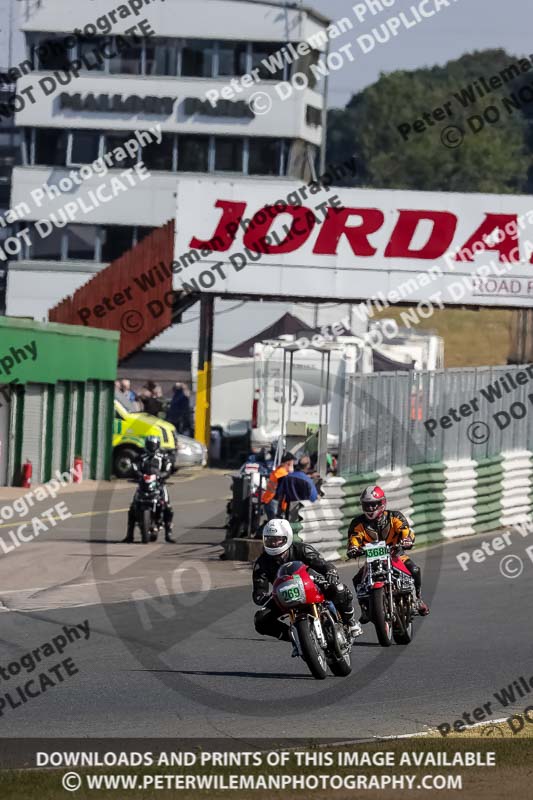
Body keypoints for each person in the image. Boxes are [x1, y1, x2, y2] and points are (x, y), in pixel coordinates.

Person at [253, 519, 362, 642]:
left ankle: (350, 621)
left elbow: (322, 564)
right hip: (284, 595)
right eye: (269, 540)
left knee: (339, 589)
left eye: (277, 539)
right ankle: (293, 637)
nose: (273, 543)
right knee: (260, 619)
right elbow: (258, 589)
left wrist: (330, 571)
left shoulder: (302, 549)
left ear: (286, 537)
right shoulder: (262, 562)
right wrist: (262, 597)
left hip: (311, 585)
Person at [346, 485, 429, 621]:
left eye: (373, 505)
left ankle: (418, 598)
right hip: (372, 560)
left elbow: (405, 530)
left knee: (414, 570)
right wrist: (353, 549)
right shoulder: (357, 523)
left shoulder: (394, 516)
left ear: (382, 503)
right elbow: (354, 539)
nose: (370, 508)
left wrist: (407, 540)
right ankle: (365, 609)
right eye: (367, 505)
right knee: (357, 580)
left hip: (396, 555)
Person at [124, 435, 175, 543]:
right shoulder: (141, 456)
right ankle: (129, 535)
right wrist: (138, 474)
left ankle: (168, 533)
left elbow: (168, 467)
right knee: (133, 506)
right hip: (144, 484)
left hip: (159, 484)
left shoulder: (163, 457)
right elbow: (135, 466)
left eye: (154, 445)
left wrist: (163, 475)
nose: (152, 447)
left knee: (168, 506)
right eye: (150, 445)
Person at [261, 452, 295, 520]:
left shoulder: (280, 470)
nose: (293, 465)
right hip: (273, 502)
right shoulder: (282, 473)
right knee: (275, 526)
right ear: (288, 463)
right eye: (292, 464)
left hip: (272, 502)